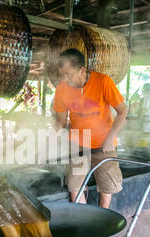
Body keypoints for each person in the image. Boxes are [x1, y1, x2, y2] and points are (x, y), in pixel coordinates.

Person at [53, 48, 128, 209]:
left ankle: (101, 220)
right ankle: (84, 219)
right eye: (63, 75)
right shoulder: (62, 89)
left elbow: (123, 111)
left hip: (104, 145)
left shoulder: (103, 81)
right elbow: (60, 122)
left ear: (82, 70)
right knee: (74, 188)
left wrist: (110, 138)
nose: (65, 79)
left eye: (68, 74)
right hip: (78, 146)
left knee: (107, 187)